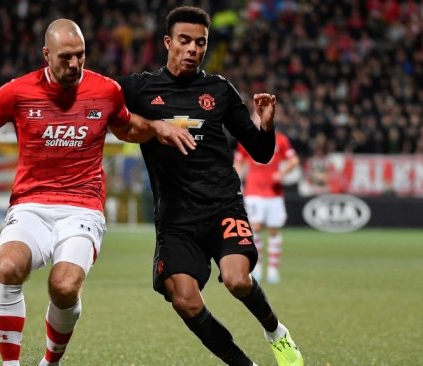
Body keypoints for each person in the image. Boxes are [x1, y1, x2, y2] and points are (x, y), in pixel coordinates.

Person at [0, 19, 195, 366]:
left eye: (80, 56)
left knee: (64, 287)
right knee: (8, 267)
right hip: (31, 204)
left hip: (83, 208)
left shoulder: (106, 90)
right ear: (46, 54)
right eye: (65, 57)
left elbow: (127, 126)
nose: (74, 64)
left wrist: (156, 127)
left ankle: (50, 362)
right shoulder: (18, 91)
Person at [116, 6, 303, 366]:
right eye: (184, 41)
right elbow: (95, 95)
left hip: (222, 206)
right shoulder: (139, 89)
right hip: (176, 219)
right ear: (168, 42)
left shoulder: (219, 90)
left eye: (200, 43)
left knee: (236, 279)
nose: (192, 49)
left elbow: (262, 152)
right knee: (184, 299)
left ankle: (276, 332)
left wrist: (266, 125)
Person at [234, 131, 300, 284]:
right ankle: (256, 267)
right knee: (255, 228)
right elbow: (239, 162)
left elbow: (294, 160)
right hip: (253, 191)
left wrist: (282, 173)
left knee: (273, 230)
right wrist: (237, 182)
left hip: (274, 193)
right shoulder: (247, 137)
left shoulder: (281, 139)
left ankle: (273, 269)